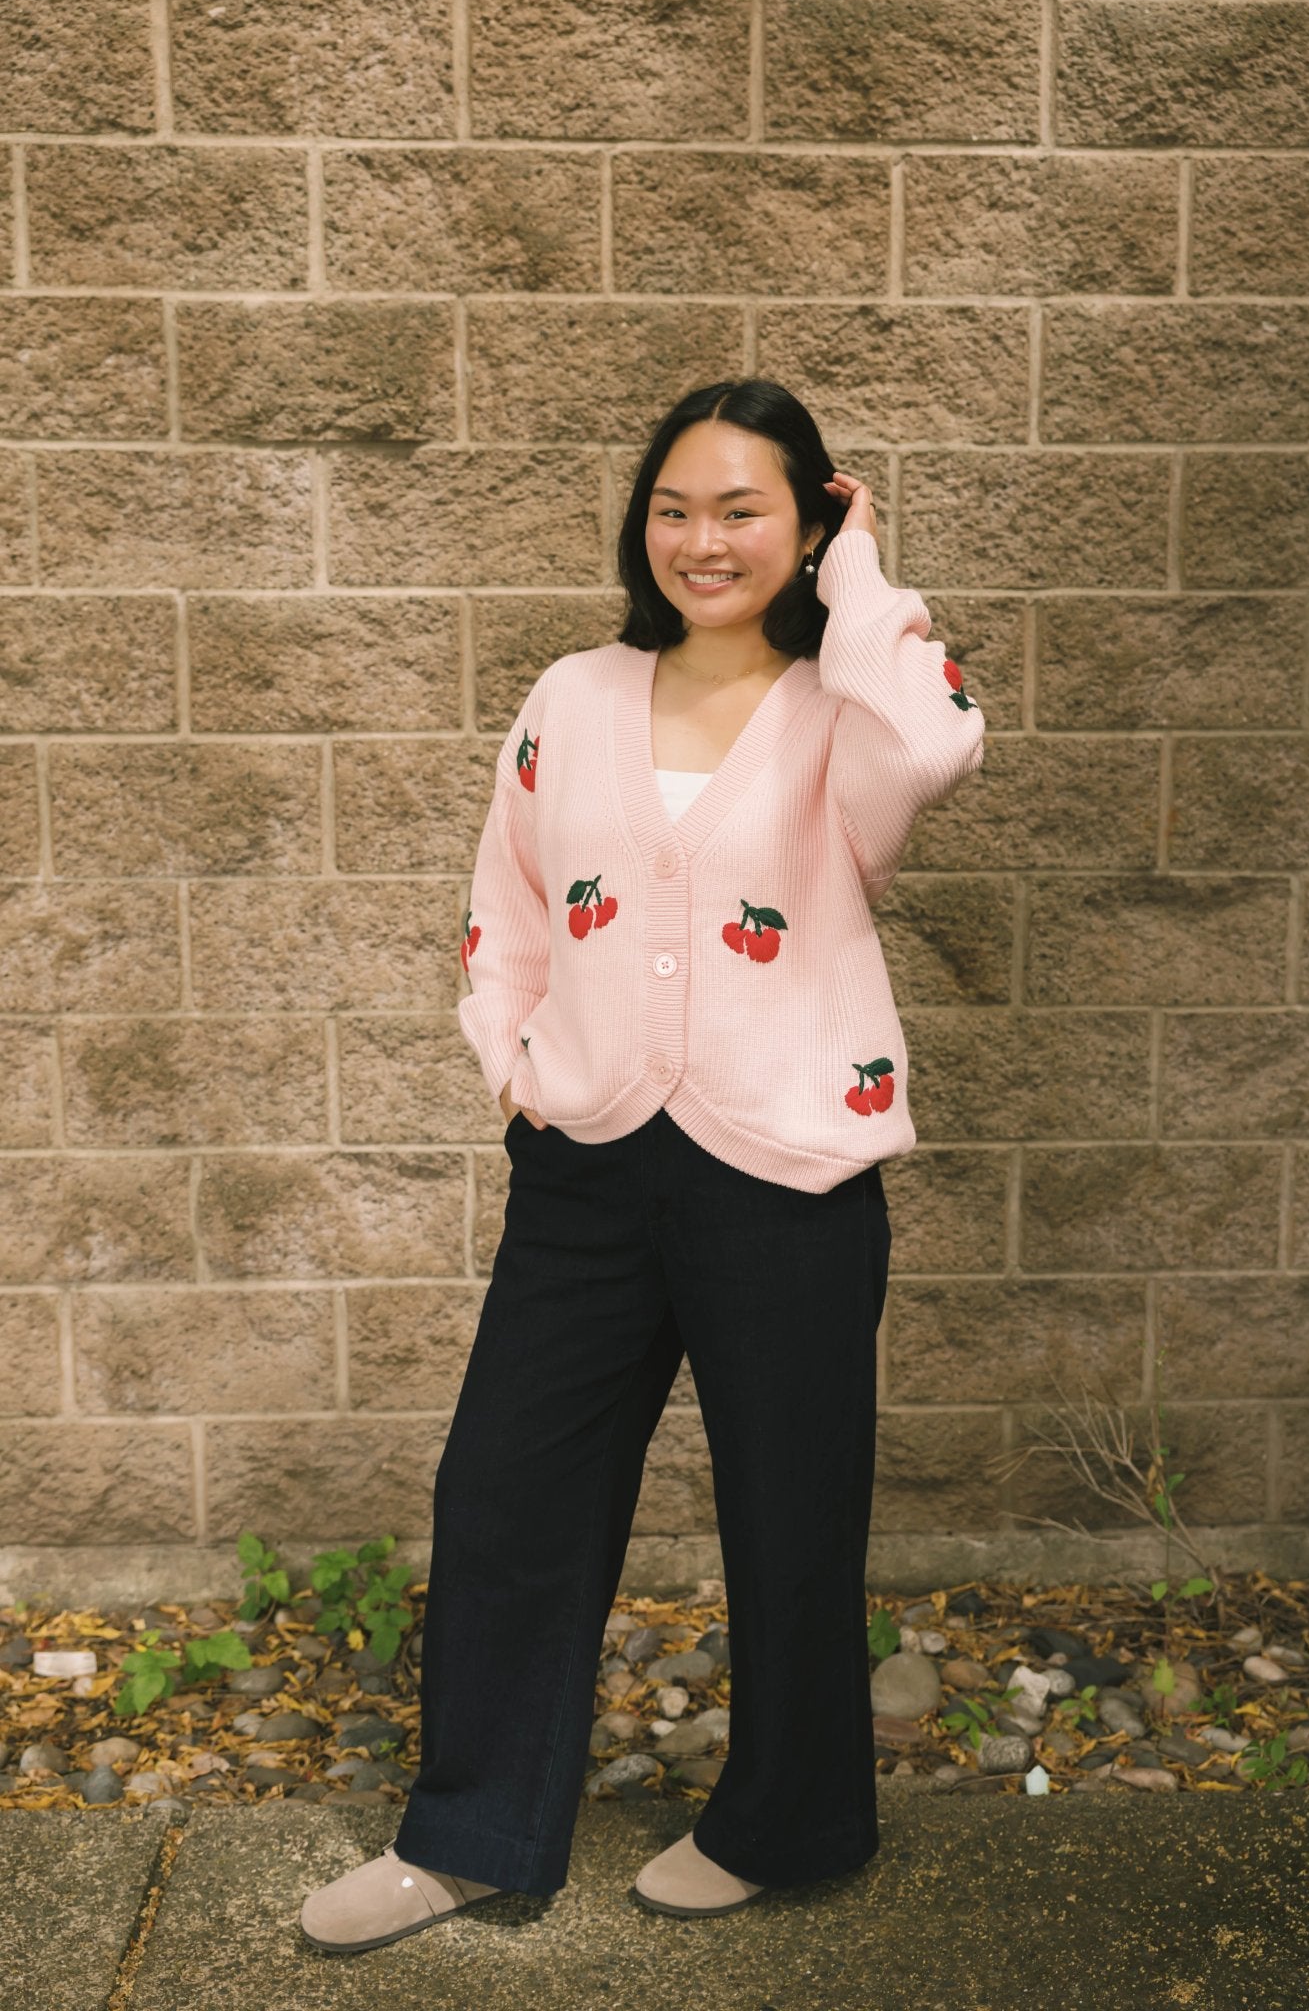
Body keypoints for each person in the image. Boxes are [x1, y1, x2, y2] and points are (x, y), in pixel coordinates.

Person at [300, 377, 985, 1954]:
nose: (702, 538)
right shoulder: (574, 693)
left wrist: (866, 574)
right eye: (675, 506)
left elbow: (943, 743)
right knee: (503, 1495)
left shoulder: (850, 716)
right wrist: (515, 1072)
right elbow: (507, 910)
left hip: (790, 1171)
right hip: (590, 1165)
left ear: (809, 518)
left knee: (789, 1514)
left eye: (745, 507)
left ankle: (788, 1821)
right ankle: (468, 1832)